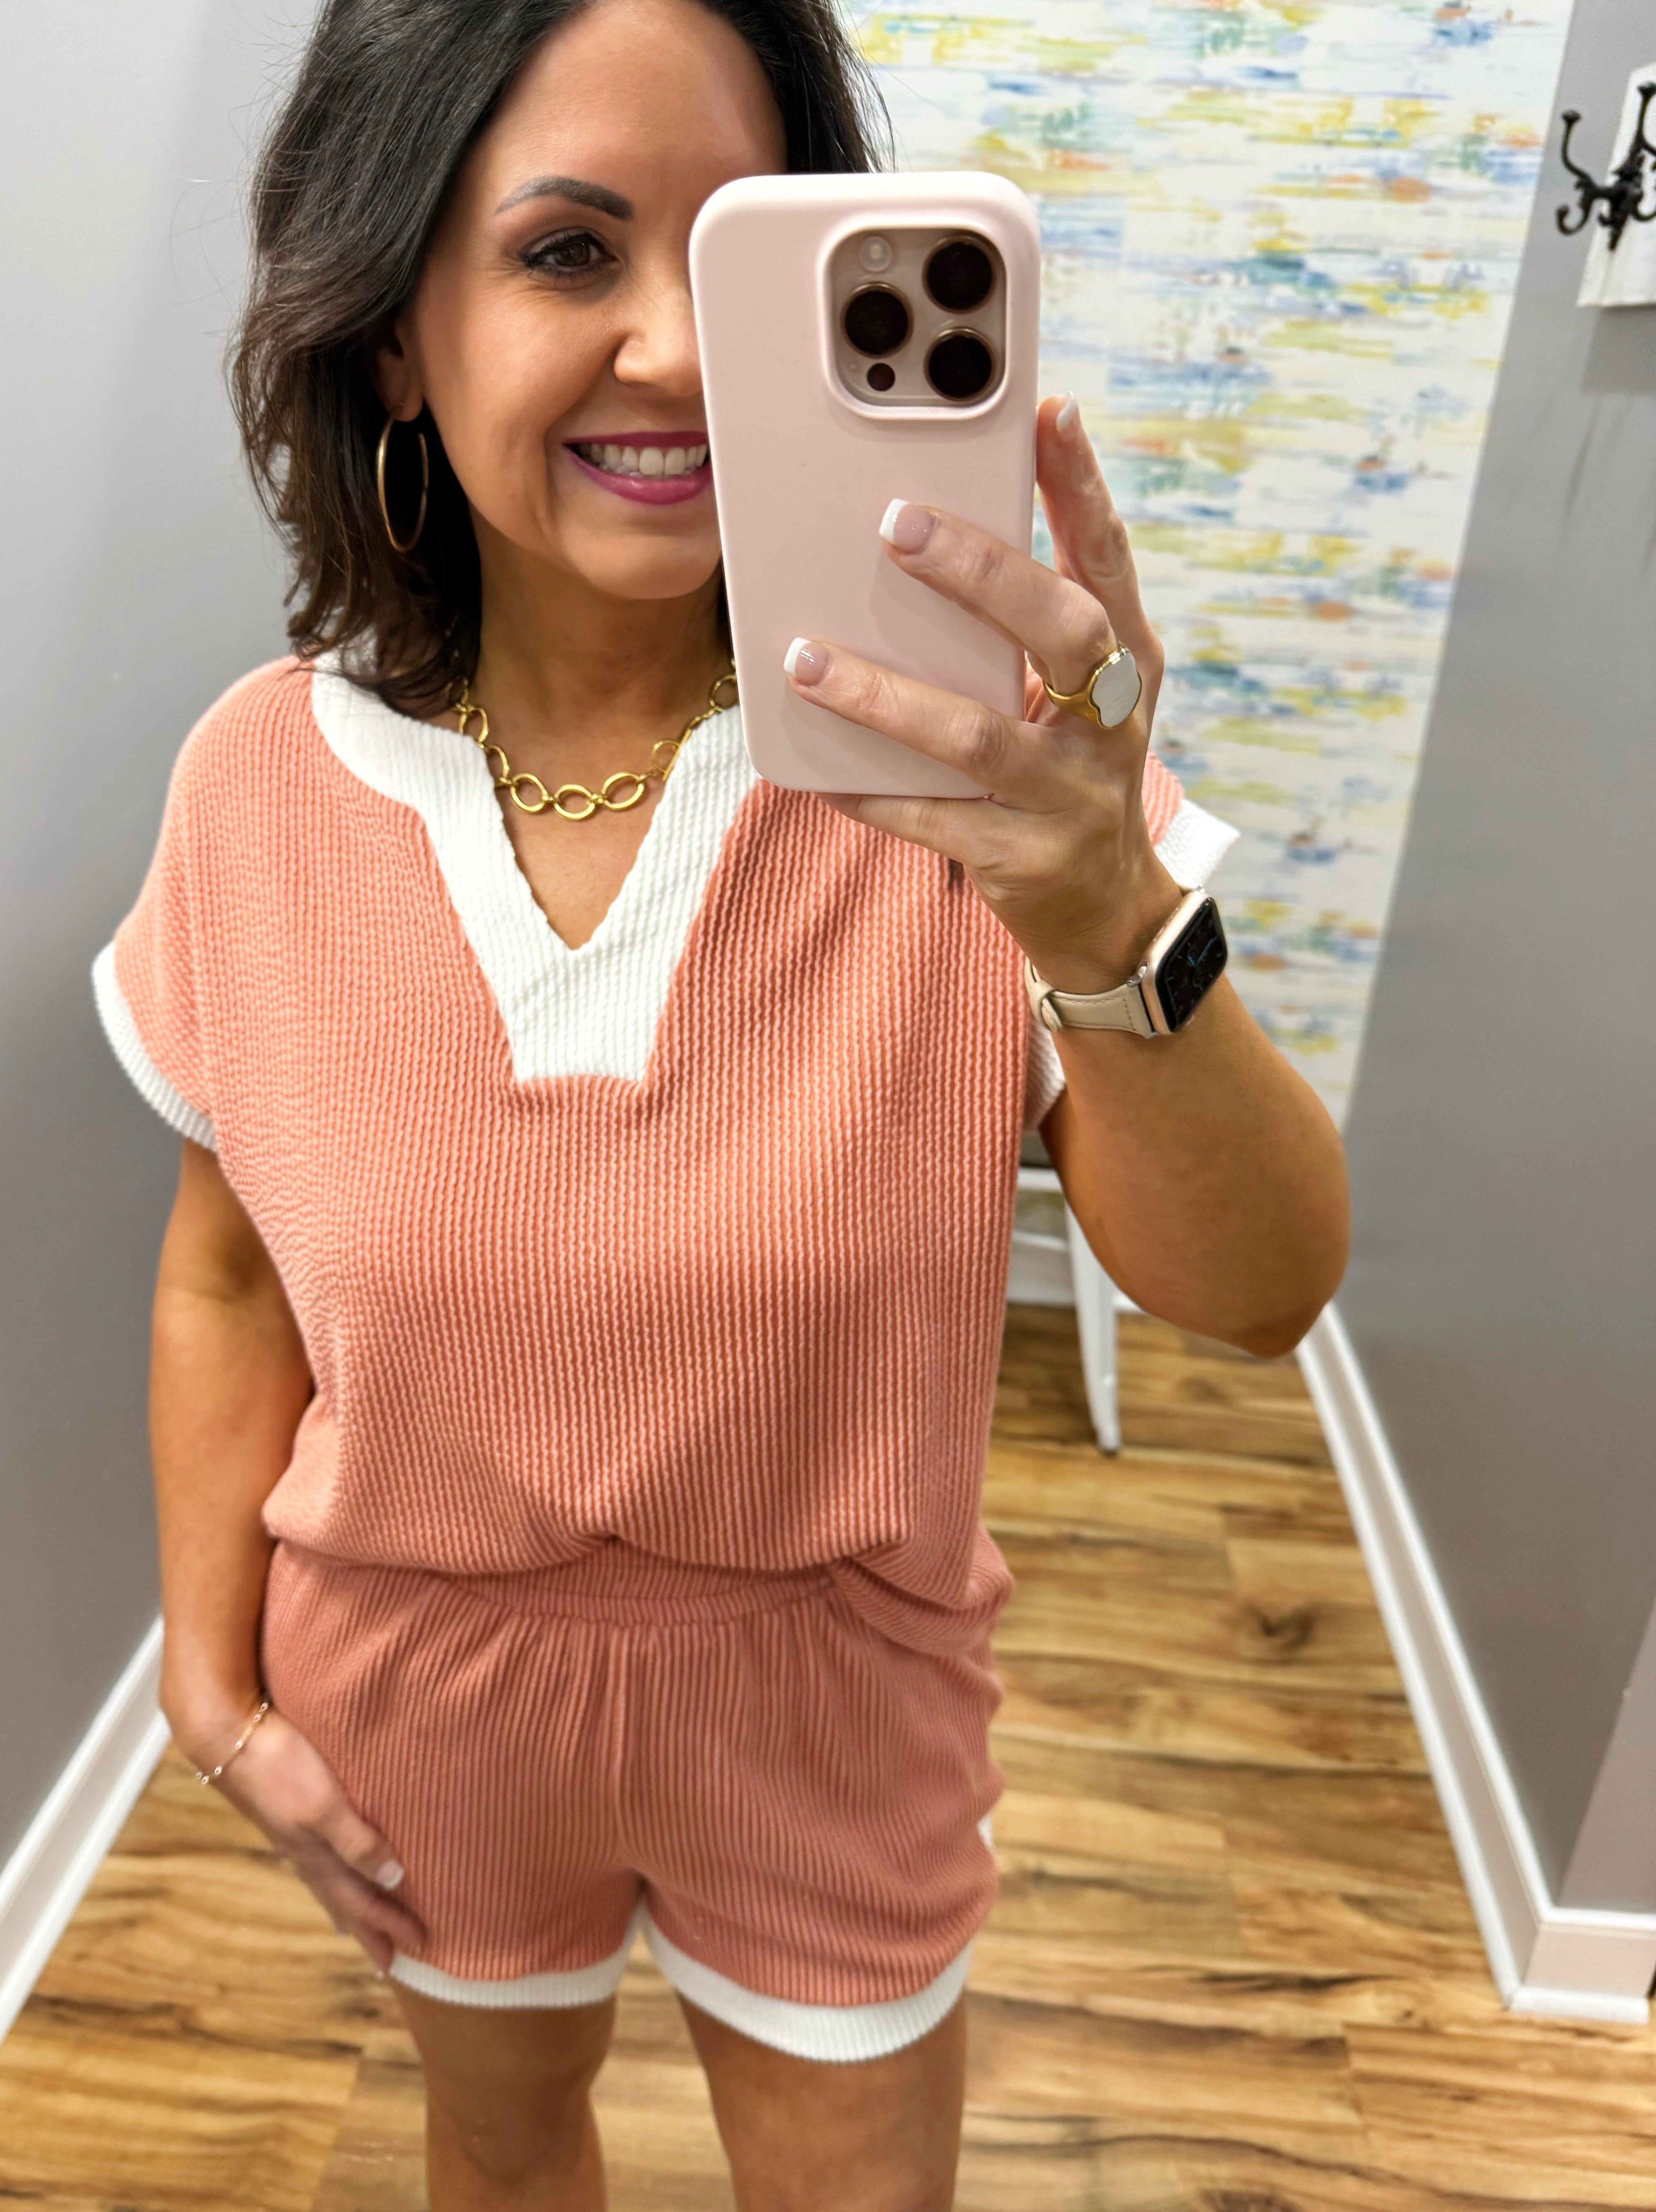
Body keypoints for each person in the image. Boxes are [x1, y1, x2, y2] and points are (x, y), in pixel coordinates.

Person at [90, 0, 1349, 2203]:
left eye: (746, 256)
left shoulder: (985, 781)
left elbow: (1259, 1298)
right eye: (570, 254)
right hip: (421, 1700)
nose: (675, 352)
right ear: (395, 329)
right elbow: (224, 1274)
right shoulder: (256, 790)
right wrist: (214, 1692)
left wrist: (1104, 909)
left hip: (834, 1710)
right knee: (499, 2164)